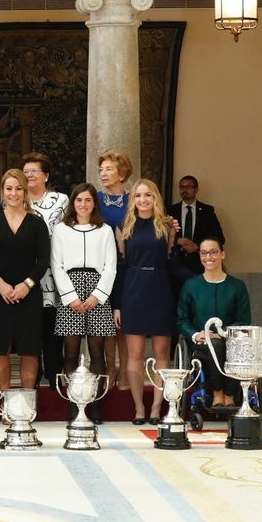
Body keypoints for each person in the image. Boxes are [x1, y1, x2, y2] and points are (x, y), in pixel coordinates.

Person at [113, 178, 182, 425]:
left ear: (155, 198)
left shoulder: (167, 225)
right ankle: (139, 407)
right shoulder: (124, 225)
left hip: (160, 288)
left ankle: (156, 407)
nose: (143, 200)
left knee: (162, 352)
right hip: (132, 288)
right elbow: (121, 266)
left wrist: (199, 281)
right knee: (135, 353)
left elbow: (173, 262)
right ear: (133, 200)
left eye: (148, 195)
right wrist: (117, 304)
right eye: (138, 196)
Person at [0, 169, 51, 392]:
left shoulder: (36, 223)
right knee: (0, 348)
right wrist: (0, 284)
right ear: (2, 191)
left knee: (29, 348)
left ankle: (26, 403)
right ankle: (6, 402)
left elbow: (44, 260)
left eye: (19, 188)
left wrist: (27, 285)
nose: (14, 193)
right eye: (9, 188)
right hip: (0, 295)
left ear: (25, 191)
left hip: (28, 294)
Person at [50, 183, 118, 422]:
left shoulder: (105, 230)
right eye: (79, 200)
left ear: (94, 204)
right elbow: (56, 265)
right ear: (73, 203)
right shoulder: (61, 230)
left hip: (97, 291)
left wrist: (97, 296)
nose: (83, 204)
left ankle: (96, 403)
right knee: (70, 351)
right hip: (71, 290)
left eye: (88, 200)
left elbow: (111, 267)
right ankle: (74, 402)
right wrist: (70, 298)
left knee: (97, 352)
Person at [177, 238, 250, 407]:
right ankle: (219, 393)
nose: (208, 257)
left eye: (213, 252)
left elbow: (244, 320)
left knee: (226, 344)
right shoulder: (191, 285)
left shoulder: (237, 286)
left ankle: (230, 394)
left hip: (231, 341)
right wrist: (196, 334)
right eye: (204, 253)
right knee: (215, 344)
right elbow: (182, 319)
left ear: (222, 254)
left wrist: (223, 333)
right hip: (201, 344)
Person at [22, 151, 69, 388]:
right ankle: (32, 381)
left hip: (54, 272)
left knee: (52, 330)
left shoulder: (62, 200)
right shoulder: (16, 200)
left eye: (34, 171)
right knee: (31, 330)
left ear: (46, 175)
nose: (29, 175)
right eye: (26, 172)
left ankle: (53, 378)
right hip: (25, 274)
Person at [97, 149, 133, 391]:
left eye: (109, 169)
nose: (103, 173)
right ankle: (111, 367)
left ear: (122, 173)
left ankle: (127, 371)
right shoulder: (95, 199)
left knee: (124, 322)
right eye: (101, 170)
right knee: (107, 322)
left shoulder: (134, 198)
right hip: (103, 266)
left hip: (129, 267)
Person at [169, 175, 225, 275]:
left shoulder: (207, 211)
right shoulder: (170, 210)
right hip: (175, 263)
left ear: (196, 190)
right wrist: (177, 240)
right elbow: (161, 235)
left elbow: (219, 237)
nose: (185, 190)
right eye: (182, 187)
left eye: (189, 187)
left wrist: (198, 247)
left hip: (199, 263)